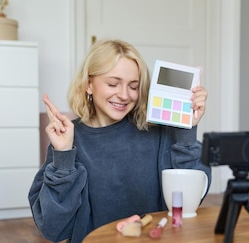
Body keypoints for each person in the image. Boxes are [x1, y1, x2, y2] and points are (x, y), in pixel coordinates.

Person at [28, 39, 211, 242]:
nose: (124, 95)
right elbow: (53, 228)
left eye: (133, 86)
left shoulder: (157, 134)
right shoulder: (70, 140)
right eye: (113, 84)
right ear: (89, 84)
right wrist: (63, 156)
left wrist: (187, 129)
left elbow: (190, 200)